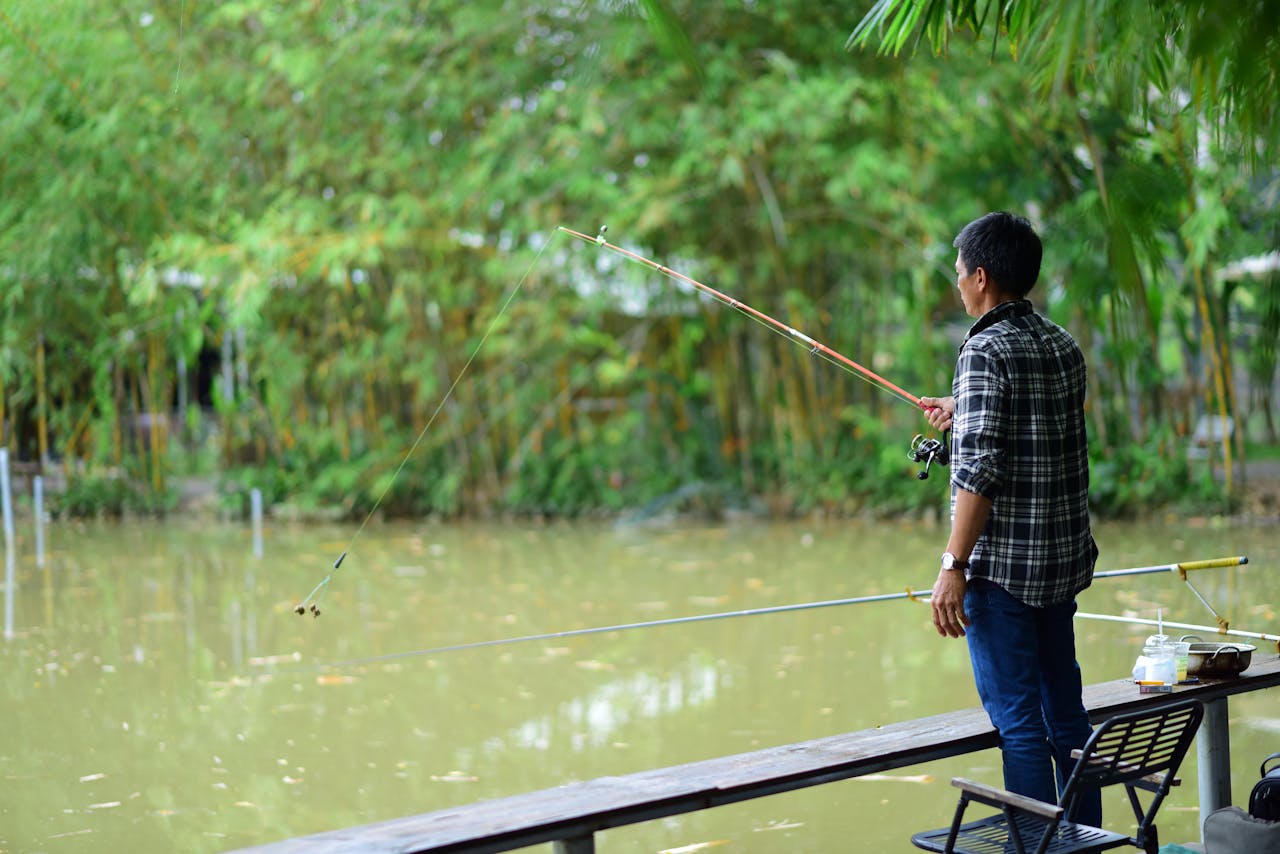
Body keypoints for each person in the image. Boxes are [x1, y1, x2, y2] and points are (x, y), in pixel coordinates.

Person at [919, 211, 1102, 825]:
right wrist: (962, 407)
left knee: (1020, 726)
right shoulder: (1061, 343)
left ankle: (1035, 845)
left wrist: (953, 565)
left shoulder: (983, 351)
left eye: (959, 271)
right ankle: (1084, 837)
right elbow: (1039, 430)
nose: (957, 281)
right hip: (1059, 566)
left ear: (982, 277)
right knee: (1067, 716)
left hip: (1002, 578)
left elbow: (979, 475)